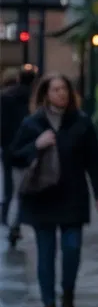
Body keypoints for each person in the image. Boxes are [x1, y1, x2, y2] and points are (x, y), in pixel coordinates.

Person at [6, 74, 98, 307]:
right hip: (42, 198)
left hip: (73, 196)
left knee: (72, 250)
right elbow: (14, 157)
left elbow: (94, 161)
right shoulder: (32, 124)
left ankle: (68, 298)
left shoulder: (81, 122)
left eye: (64, 89)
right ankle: (48, 306)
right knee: (46, 253)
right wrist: (36, 146)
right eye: (56, 90)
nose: (61, 94)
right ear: (45, 94)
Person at [0, 64, 35, 247]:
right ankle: (16, 222)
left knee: (10, 188)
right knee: (24, 189)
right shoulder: (33, 98)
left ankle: (10, 221)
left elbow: (3, 126)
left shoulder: (5, 98)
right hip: (31, 147)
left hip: (10, 148)